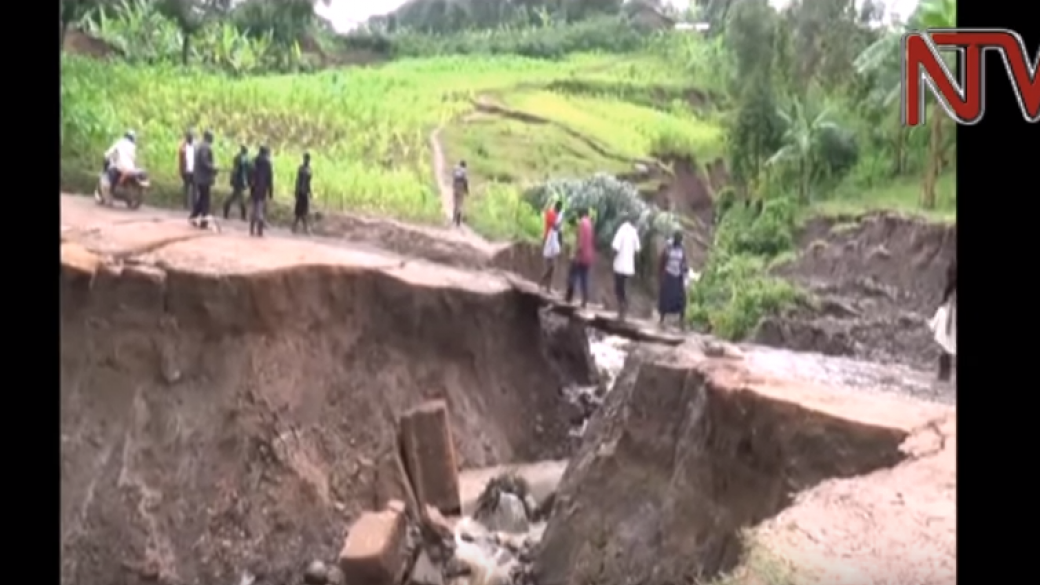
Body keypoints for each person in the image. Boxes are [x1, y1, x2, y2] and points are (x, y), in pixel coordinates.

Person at [611, 214, 641, 321]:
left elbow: (615, 247)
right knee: (623, 287)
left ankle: (622, 307)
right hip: (629, 267)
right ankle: (624, 307)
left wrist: (612, 258)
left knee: (618, 288)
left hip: (619, 265)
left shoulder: (622, 230)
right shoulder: (634, 232)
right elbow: (638, 249)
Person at [564, 208, 595, 308]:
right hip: (588, 256)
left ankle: (568, 297)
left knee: (572, 274)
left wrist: (575, 254)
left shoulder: (582, 223)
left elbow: (580, 243)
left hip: (580, 255)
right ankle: (585, 299)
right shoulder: (590, 224)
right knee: (584, 278)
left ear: (580, 214)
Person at [658, 231, 688, 330]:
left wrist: (684, 270)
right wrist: (661, 275)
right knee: (665, 298)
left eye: (680, 241)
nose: (678, 242)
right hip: (668, 274)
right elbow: (662, 260)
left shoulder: (682, 249)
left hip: (678, 275)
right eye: (677, 241)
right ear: (674, 239)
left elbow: (683, 261)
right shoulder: (668, 247)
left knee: (681, 298)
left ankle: (682, 320)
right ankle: (662, 319)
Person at [932, 257, 956, 382]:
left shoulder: (950, 294)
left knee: (945, 342)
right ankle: (944, 374)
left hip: (950, 312)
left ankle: (944, 375)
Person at [189, 130, 217, 227]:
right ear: (208, 137)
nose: (213, 139)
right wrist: (213, 168)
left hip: (200, 177)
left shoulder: (200, 146)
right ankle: (203, 221)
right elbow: (204, 161)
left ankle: (194, 216)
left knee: (202, 198)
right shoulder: (205, 147)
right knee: (205, 199)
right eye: (212, 137)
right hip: (204, 178)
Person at [539, 199, 565, 293]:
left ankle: (547, 286)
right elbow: (555, 227)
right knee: (549, 265)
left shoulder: (555, 215)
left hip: (553, 242)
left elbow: (558, 230)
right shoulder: (551, 214)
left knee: (552, 267)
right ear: (556, 208)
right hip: (548, 240)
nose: (558, 210)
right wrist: (560, 220)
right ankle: (544, 283)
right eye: (559, 208)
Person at [249, 146, 274, 237]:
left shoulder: (254, 161)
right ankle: (259, 231)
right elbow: (270, 178)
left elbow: (250, 174)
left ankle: (251, 229)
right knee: (260, 209)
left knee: (254, 208)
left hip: (254, 188)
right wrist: (271, 191)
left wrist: (250, 185)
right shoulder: (268, 163)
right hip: (262, 189)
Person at [224, 145, 251, 220]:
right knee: (239, 198)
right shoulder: (242, 160)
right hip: (239, 182)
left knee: (234, 197)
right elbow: (243, 172)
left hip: (237, 182)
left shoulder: (238, 158)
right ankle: (243, 216)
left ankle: (226, 213)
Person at [293, 153, 313, 234]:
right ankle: (304, 228)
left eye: (307, 159)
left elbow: (308, 183)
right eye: (306, 159)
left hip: (305, 192)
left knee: (303, 211)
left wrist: (310, 191)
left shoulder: (309, 169)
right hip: (301, 192)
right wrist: (296, 190)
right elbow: (298, 181)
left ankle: (297, 227)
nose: (307, 160)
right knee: (300, 211)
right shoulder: (302, 169)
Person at [177, 130, 196, 209]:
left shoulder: (195, 146)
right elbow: (181, 160)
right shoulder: (183, 147)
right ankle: (186, 205)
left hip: (194, 170)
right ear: (187, 138)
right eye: (189, 137)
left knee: (195, 188)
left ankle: (194, 204)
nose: (191, 139)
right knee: (186, 187)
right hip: (186, 170)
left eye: (191, 137)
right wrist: (181, 171)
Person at [452, 160, 468, 227]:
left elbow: (453, 178)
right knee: (460, 203)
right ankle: (458, 217)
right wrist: (466, 190)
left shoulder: (456, 169)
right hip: (461, 187)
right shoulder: (464, 171)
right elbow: (465, 181)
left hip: (455, 186)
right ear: (464, 165)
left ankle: (454, 217)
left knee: (455, 202)